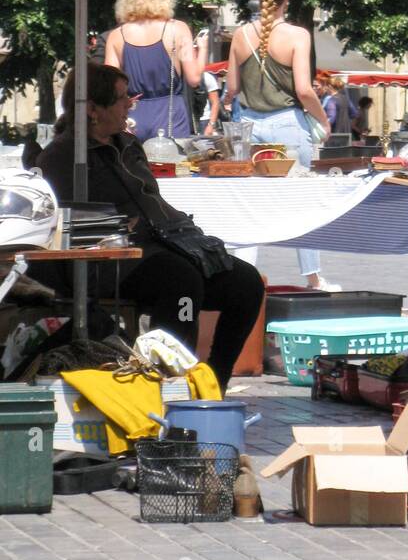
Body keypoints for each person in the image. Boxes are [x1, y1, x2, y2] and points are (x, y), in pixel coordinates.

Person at [37, 65, 264, 391]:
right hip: (106, 260)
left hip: (162, 244)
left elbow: (151, 200)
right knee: (182, 281)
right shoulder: (62, 156)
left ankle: (214, 381)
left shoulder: (128, 145)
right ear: (92, 110)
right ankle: (168, 380)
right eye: (121, 98)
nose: (130, 104)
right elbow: (64, 224)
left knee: (245, 283)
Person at [225, 0, 335, 291]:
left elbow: (231, 86)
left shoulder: (241, 34)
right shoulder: (298, 36)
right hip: (288, 123)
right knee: (301, 201)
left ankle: (243, 278)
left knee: (248, 204)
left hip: (247, 124)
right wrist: (324, 120)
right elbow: (303, 89)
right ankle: (313, 278)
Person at [104, 0, 209, 143]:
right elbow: (194, 79)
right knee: (173, 167)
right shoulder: (178, 30)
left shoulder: (116, 36)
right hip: (170, 115)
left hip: (132, 116)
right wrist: (203, 48)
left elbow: (108, 87)